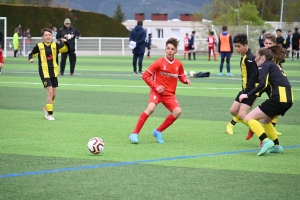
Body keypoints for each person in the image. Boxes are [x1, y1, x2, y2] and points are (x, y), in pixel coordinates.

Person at [129, 38, 192, 144]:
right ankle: (134, 134)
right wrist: (156, 86)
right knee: (151, 108)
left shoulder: (178, 64)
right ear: (165, 49)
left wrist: (186, 80)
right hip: (156, 92)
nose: (170, 51)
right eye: (168, 48)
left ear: (176, 51)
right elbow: (145, 76)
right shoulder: (159, 62)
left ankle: (158, 131)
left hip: (169, 94)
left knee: (177, 111)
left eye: (172, 49)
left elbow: (181, 77)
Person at [239, 45, 293, 156]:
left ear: (262, 58)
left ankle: (266, 141)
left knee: (249, 117)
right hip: (289, 98)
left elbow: (262, 84)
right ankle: (277, 146)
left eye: (257, 57)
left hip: (278, 99)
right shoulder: (275, 65)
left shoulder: (264, 66)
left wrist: (248, 95)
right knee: (266, 121)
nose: (254, 59)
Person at [245, 33, 284, 147]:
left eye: (270, 43)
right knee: (247, 106)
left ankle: (263, 139)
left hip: (269, 86)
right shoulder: (261, 54)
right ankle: (252, 126)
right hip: (261, 84)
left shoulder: (276, 58)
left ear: (274, 44)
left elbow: (279, 71)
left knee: (272, 112)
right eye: (266, 43)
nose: (267, 46)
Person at [28, 28, 68, 121]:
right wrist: (31, 58)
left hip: (53, 72)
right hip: (44, 72)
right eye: (46, 35)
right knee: (50, 93)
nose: (48, 36)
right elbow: (31, 54)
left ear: (52, 36)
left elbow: (65, 49)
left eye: (49, 35)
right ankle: (50, 114)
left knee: (54, 95)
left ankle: (46, 108)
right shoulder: (39, 46)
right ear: (42, 37)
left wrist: (65, 42)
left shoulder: (55, 45)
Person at [226, 34, 258, 135]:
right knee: (233, 111)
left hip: (251, 91)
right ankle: (253, 127)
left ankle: (261, 133)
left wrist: (249, 92)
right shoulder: (244, 56)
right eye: (235, 46)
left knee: (243, 115)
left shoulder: (250, 58)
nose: (236, 48)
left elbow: (254, 76)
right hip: (244, 90)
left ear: (246, 45)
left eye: (239, 46)